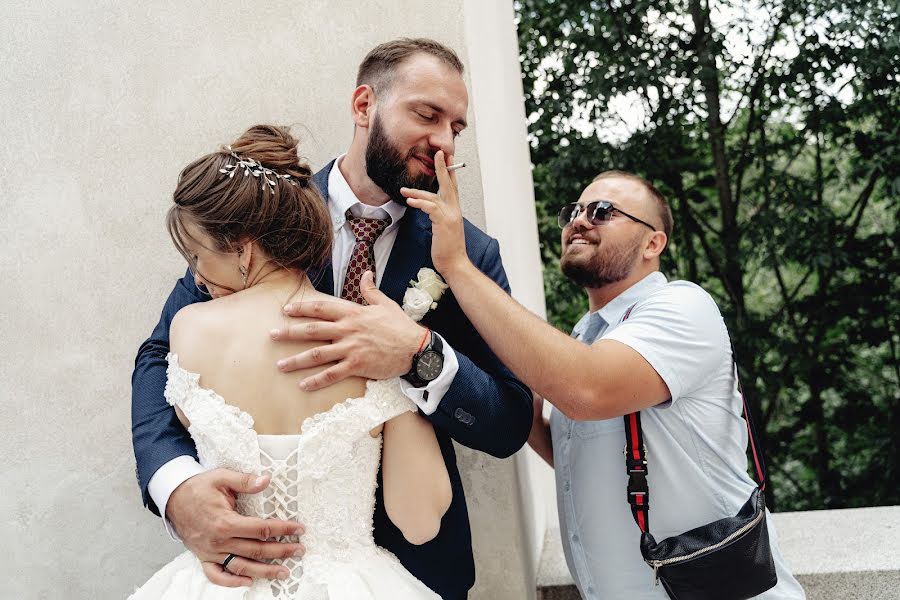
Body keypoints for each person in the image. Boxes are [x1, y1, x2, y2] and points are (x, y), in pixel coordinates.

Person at [131, 39, 533, 600]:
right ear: (364, 105)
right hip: (249, 566)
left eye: (456, 128)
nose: (443, 141)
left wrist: (420, 355)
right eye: (427, 115)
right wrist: (176, 486)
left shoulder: (469, 254)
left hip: (416, 567)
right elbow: (158, 360)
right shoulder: (259, 215)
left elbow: (511, 420)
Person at [398, 155, 806, 598]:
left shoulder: (683, 308)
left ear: (653, 244)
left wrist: (457, 265)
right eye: (573, 211)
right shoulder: (587, 336)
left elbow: (586, 390)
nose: (580, 221)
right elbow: (576, 453)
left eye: (603, 212)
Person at [130, 124, 450, 599]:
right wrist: (404, 363)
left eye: (197, 257)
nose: (196, 278)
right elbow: (419, 521)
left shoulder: (190, 330)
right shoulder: (370, 341)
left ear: (244, 247)